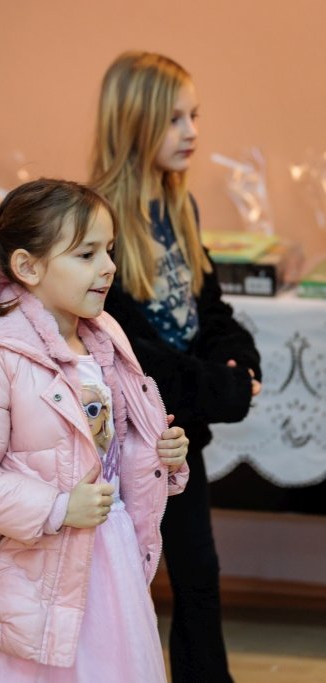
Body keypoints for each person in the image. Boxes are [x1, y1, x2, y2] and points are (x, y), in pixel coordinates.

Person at [0, 177, 190, 683]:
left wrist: (159, 452)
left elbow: (108, 447)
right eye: (87, 254)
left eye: (109, 250)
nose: (108, 266)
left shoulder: (103, 342)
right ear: (28, 266)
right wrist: (57, 507)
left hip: (105, 555)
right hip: (28, 575)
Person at [90, 51, 262, 683]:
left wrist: (237, 360)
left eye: (195, 116)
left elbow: (206, 308)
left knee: (198, 575)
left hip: (181, 431)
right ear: (133, 122)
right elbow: (131, 348)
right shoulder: (101, 219)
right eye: (174, 119)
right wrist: (219, 386)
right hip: (136, 434)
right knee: (124, 577)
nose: (192, 131)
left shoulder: (177, 205)